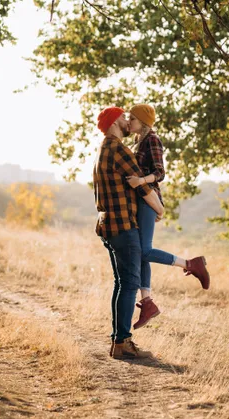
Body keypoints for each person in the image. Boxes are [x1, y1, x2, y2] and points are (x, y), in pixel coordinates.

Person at [126, 104, 210, 330]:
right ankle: (147, 302)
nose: (129, 121)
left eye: (132, 118)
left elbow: (160, 172)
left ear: (142, 121)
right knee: (142, 253)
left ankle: (191, 263)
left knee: (144, 250)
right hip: (140, 201)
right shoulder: (138, 141)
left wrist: (141, 181)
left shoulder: (152, 139)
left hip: (147, 199)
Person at [93, 106, 164, 359]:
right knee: (130, 284)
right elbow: (144, 188)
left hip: (108, 226)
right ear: (114, 123)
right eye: (123, 117)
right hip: (124, 226)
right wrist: (159, 208)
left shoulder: (102, 149)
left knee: (122, 284)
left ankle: (119, 341)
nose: (126, 121)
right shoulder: (120, 150)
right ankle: (122, 342)